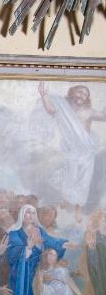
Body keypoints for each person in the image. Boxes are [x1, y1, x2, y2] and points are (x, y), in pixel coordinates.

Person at [6, 204, 73, 295]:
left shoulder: (39, 231)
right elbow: (11, 257)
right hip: (23, 275)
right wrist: (28, 247)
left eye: (33, 213)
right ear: (22, 215)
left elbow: (52, 242)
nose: (31, 216)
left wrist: (63, 244)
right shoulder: (14, 234)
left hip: (39, 273)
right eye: (28, 213)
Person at [38, 82, 106, 211]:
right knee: (71, 175)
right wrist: (44, 96)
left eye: (85, 94)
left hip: (87, 150)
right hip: (71, 149)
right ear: (72, 92)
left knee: (84, 178)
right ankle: (67, 199)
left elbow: (103, 117)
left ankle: (78, 205)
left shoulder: (88, 111)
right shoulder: (63, 107)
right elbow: (51, 110)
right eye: (80, 91)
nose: (82, 95)